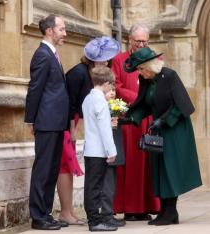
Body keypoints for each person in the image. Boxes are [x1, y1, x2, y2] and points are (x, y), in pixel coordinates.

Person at [121, 47, 202, 225]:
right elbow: (145, 105)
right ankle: (165, 211)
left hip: (175, 129)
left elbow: (181, 105)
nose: (139, 73)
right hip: (160, 129)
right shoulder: (147, 81)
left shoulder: (169, 76)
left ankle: (171, 212)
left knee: (170, 170)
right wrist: (128, 119)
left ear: (150, 66)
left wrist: (162, 121)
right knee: (159, 169)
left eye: (141, 69)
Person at [57, 36, 120, 225]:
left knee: (92, 183)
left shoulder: (93, 94)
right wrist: (73, 129)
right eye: (104, 58)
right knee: (90, 183)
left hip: (89, 140)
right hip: (82, 136)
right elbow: (72, 104)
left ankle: (88, 215)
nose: (107, 62)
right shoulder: (79, 75)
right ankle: (84, 216)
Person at [24, 14, 69, 230]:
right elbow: (35, 89)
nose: (65, 33)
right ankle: (38, 216)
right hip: (46, 121)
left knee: (52, 170)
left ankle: (46, 213)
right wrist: (30, 119)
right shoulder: (42, 54)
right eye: (62, 29)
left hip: (57, 121)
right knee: (43, 169)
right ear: (49, 31)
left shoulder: (53, 54)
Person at [111, 23, 160, 221]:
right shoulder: (119, 60)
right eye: (137, 41)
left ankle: (149, 205)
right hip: (130, 119)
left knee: (149, 163)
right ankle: (131, 208)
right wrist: (137, 97)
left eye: (144, 41)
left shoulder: (155, 59)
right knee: (131, 163)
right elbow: (115, 85)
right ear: (129, 40)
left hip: (149, 117)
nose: (141, 44)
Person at [82, 66, 118, 232]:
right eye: (111, 84)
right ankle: (95, 221)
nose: (112, 88)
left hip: (90, 149)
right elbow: (104, 129)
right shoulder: (101, 101)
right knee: (95, 187)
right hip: (99, 151)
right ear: (105, 83)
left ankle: (93, 219)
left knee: (91, 185)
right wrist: (111, 151)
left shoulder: (88, 98)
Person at [101, 86, 126, 227]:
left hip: (114, 148)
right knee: (107, 184)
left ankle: (108, 213)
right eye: (108, 90)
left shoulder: (115, 105)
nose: (112, 93)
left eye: (113, 90)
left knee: (111, 184)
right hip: (106, 151)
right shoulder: (101, 106)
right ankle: (106, 214)